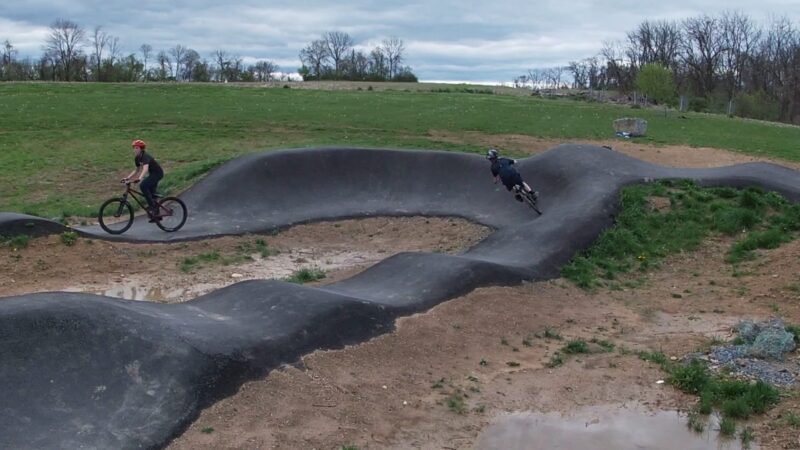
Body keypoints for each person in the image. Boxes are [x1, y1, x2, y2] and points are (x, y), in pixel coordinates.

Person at [122, 139, 164, 221]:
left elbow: (145, 169)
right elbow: (137, 170)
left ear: (141, 149)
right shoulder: (137, 158)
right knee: (152, 194)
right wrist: (127, 178)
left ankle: (152, 207)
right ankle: (156, 216)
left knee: (143, 185)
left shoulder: (145, 156)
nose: (135, 149)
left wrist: (139, 178)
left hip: (158, 174)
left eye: (137, 148)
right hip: (152, 174)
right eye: (134, 148)